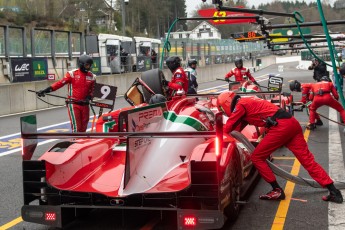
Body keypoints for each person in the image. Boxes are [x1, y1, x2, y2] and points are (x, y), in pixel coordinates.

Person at [217, 91, 343, 203]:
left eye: (223, 110)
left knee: (257, 157)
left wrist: (215, 136)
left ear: (226, 104)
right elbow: (236, 130)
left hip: (281, 127)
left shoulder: (240, 106)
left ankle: (276, 190)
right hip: (292, 123)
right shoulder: (247, 101)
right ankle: (334, 192)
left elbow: (228, 127)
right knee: (308, 161)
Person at [37, 54, 96, 132]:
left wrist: (89, 97)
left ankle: (82, 143)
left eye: (90, 65)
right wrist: (46, 90)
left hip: (85, 105)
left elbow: (93, 90)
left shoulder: (92, 76)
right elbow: (59, 84)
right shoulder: (72, 74)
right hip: (74, 104)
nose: (88, 67)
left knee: (84, 128)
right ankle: (75, 142)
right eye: (87, 65)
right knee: (77, 128)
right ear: (81, 64)